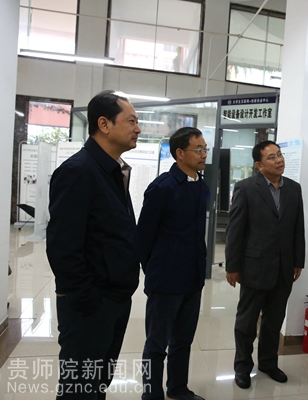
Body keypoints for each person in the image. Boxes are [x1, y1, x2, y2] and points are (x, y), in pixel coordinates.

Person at [46, 90, 141, 399]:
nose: (138, 128)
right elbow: (62, 246)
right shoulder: (79, 171)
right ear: (104, 124)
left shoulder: (111, 170)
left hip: (113, 298)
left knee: (97, 382)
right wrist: (87, 300)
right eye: (131, 121)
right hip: (91, 305)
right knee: (79, 387)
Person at [225, 140, 306, 389]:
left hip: (284, 267)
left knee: (274, 320)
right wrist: (232, 266)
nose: (279, 160)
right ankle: (242, 367)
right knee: (247, 322)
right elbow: (235, 230)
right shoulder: (246, 188)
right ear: (259, 165)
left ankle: (269, 363)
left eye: (279, 155)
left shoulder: (293, 188)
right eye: (272, 157)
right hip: (254, 267)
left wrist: (298, 260)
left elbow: (298, 227)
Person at [138, 127, 210, 400]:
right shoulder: (162, 188)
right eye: (198, 150)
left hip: (193, 277)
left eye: (205, 149)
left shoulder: (201, 186)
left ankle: (178, 388)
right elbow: (143, 236)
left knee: (183, 340)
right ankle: (151, 393)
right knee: (156, 344)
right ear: (180, 153)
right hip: (166, 280)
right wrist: (153, 271)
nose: (204, 154)